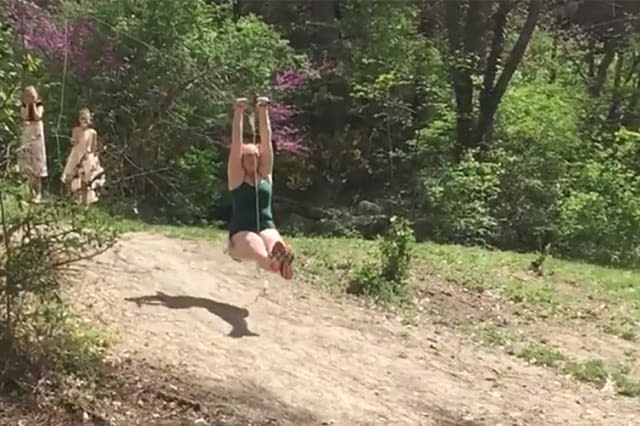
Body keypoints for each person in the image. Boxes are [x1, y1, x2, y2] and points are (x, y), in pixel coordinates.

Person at [226, 96, 294, 280]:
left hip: (266, 225)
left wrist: (263, 112)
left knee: (273, 240)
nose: (251, 158)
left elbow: (266, 140)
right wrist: (238, 112)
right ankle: (271, 262)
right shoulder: (236, 179)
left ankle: (278, 257)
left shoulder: (265, 176)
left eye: (255, 155)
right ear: (241, 159)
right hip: (241, 232)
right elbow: (236, 144)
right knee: (255, 243)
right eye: (247, 156)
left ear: (260, 158)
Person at [61, 108, 106, 205]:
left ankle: (84, 202)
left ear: (89, 120)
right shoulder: (76, 130)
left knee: (85, 180)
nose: (84, 121)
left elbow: (94, 147)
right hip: (76, 154)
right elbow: (73, 141)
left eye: (86, 119)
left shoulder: (92, 132)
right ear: (79, 119)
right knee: (69, 176)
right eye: (82, 119)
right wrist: (73, 141)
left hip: (87, 156)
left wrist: (94, 159)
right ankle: (69, 196)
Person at [19, 85, 47, 203]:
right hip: (27, 135)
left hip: (37, 136)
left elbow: (37, 116)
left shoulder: (39, 105)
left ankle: (39, 193)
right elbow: (24, 117)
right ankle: (31, 193)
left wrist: (33, 104)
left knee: (37, 164)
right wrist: (27, 105)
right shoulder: (23, 106)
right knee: (28, 164)